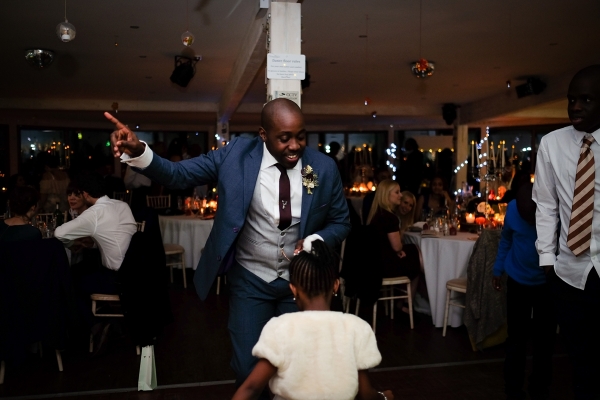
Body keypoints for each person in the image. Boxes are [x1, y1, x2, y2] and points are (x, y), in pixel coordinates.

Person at [105, 98, 350, 396]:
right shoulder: (235, 155)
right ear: (263, 134)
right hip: (251, 281)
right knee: (248, 369)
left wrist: (315, 240)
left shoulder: (322, 167)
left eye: (300, 136)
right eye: (284, 138)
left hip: (301, 284)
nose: (295, 146)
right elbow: (178, 174)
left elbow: (341, 221)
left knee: (299, 370)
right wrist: (139, 152)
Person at [232, 240, 393, 400]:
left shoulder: (280, 328)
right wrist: (384, 397)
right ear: (336, 286)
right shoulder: (357, 328)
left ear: (293, 290)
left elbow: (251, 388)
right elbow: (366, 394)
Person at [533, 64, 600, 400]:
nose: (575, 106)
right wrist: (547, 259)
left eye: (586, 99)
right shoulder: (551, 144)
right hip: (570, 274)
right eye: (572, 99)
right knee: (581, 363)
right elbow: (545, 204)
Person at [54, 171, 137, 339]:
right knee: (80, 273)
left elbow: (58, 233)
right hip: (136, 273)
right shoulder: (122, 205)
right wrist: (92, 243)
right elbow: (116, 236)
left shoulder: (93, 213)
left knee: (68, 282)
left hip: (117, 281)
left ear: (85, 194)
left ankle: (95, 326)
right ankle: (111, 321)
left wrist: (72, 244)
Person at [492, 183, 555, 400]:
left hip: (545, 282)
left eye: (532, 218)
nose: (529, 222)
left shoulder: (552, 210)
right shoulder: (512, 209)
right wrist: (498, 269)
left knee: (544, 339)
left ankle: (540, 387)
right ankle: (513, 388)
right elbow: (506, 240)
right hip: (518, 280)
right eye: (525, 217)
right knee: (516, 338)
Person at [367, 179, 421, 306]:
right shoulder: (390, 218)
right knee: (415, 253)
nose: (400, 195)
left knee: (413, 252)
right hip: (385, 267)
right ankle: (409, 303)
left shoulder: (377, 214)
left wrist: (399, 250)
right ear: (387, 194)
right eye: (397, 192)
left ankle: (405, 301)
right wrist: (399, 250)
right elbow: (397, 247)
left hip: (374, 264)